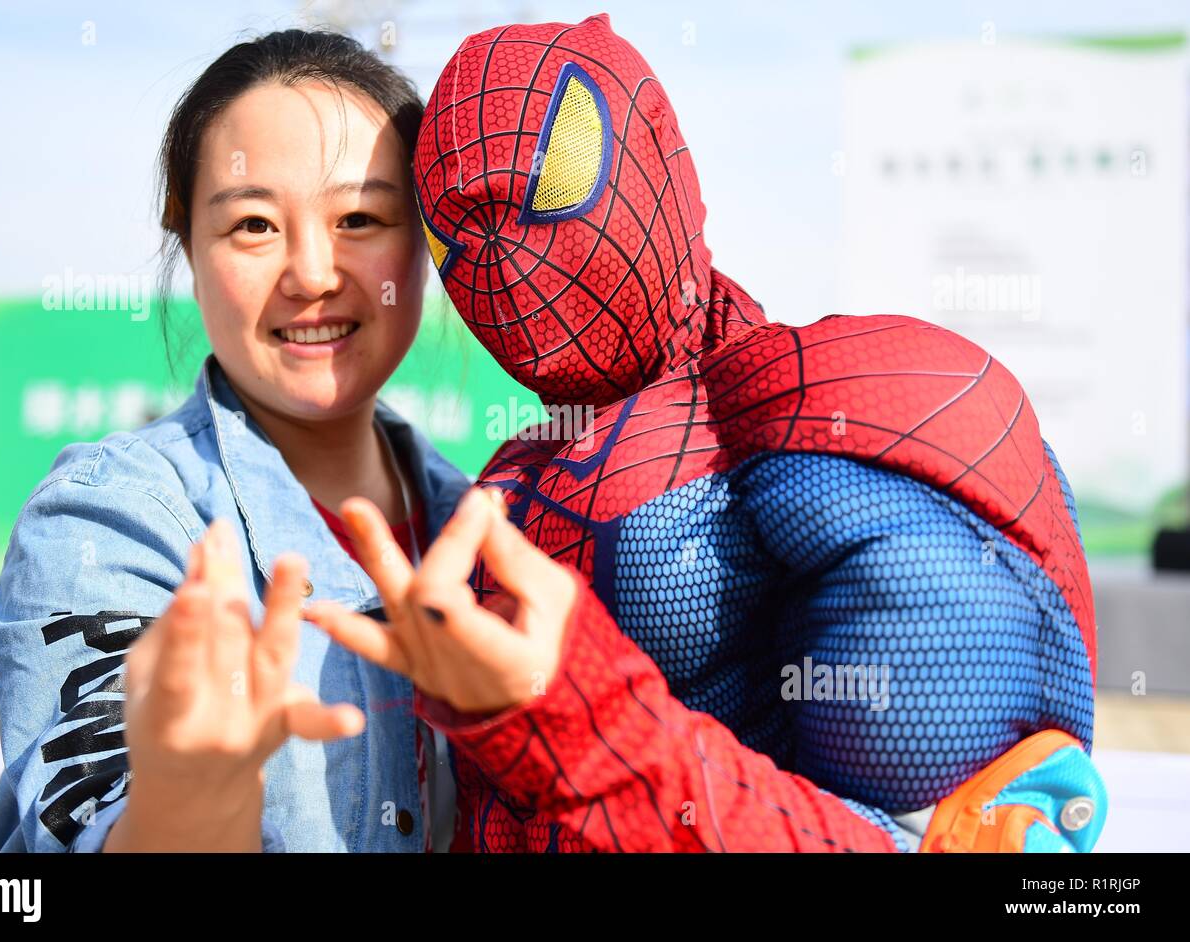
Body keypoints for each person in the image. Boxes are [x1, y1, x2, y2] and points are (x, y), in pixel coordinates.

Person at [307, 14, 1107, 853]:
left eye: (549, 177)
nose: (502, 256)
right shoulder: (504, 483)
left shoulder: (827, 411)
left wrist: (585, 729)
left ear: (651, 149)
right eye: (455, 230)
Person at [0, 29, 468, 853]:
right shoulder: (107, 522)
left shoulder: (489, 524)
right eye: (253, 225)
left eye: (360, 216)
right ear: (188, 246)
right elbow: (90, 820)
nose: (313, 273)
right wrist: (187, 809)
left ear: (421, 244)